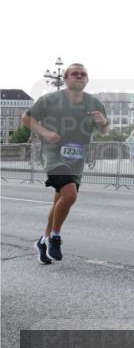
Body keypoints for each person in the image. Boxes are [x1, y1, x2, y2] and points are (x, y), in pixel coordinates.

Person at [21, 63, 108, 265]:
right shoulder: (50, 100)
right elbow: (26, 118)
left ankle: (42, 241)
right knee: (70, 195)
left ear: (87, 80)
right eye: (74, 74)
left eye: (83, 74)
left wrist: (103, 122)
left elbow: (103, 131)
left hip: (77, 159)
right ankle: (55, 237)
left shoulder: (94, 103)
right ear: (66, 79)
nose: (79, 76)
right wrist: (44, 132)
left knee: (60, 202)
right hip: (53, 154)